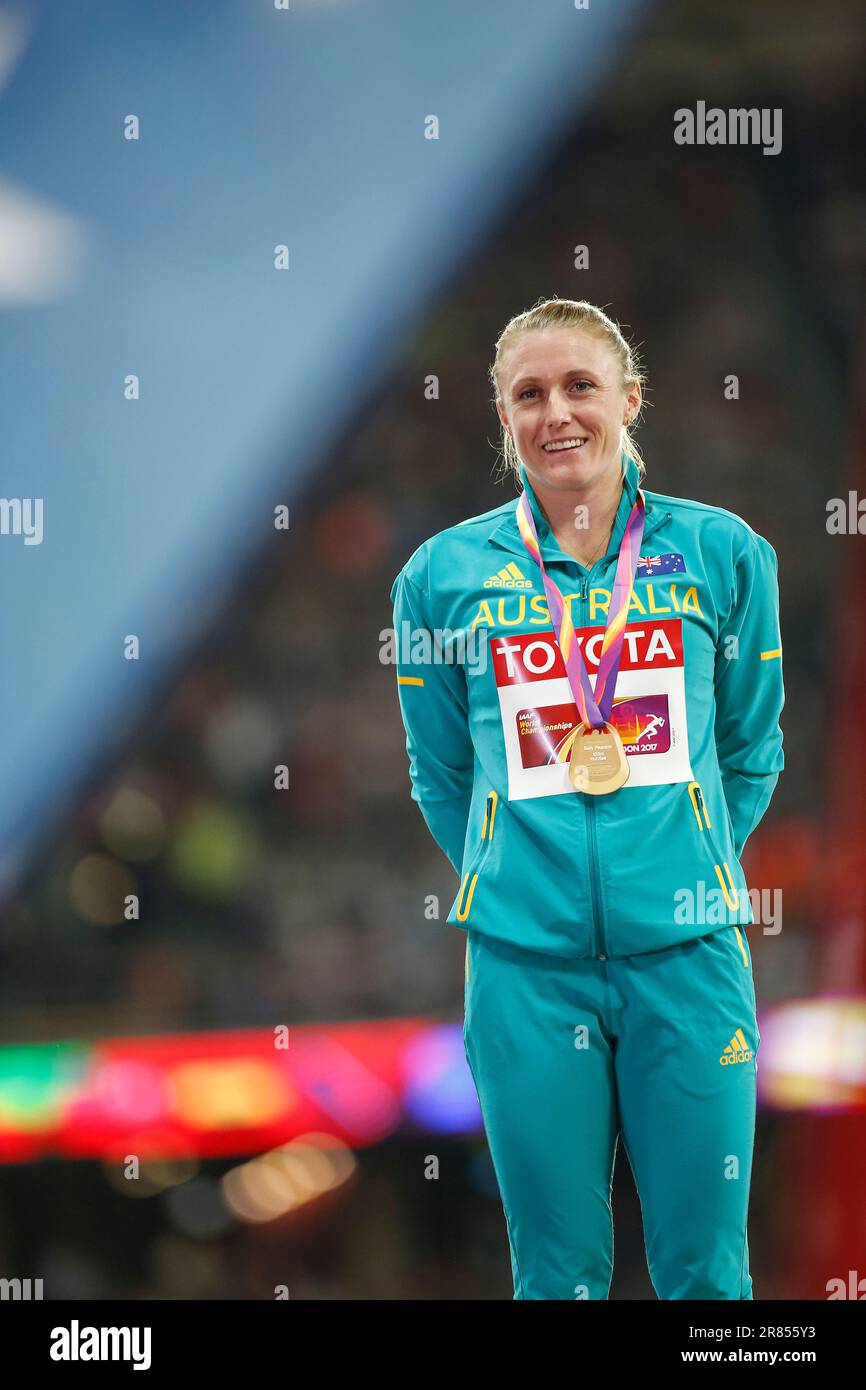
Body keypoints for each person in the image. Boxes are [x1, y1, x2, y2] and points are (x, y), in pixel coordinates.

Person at [389, 296, 785, 1300]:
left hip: (687, 960)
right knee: (555, 1275)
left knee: (704, 1274)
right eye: (527, 394)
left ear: (629, 400)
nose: (554, 413)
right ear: (500, 416)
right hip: (525, 971)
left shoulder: (720, 554)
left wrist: (683, 871)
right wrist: (515, 878)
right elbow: (439, 774)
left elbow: (750, 747)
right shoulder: (440, 576)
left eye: (578, 386)